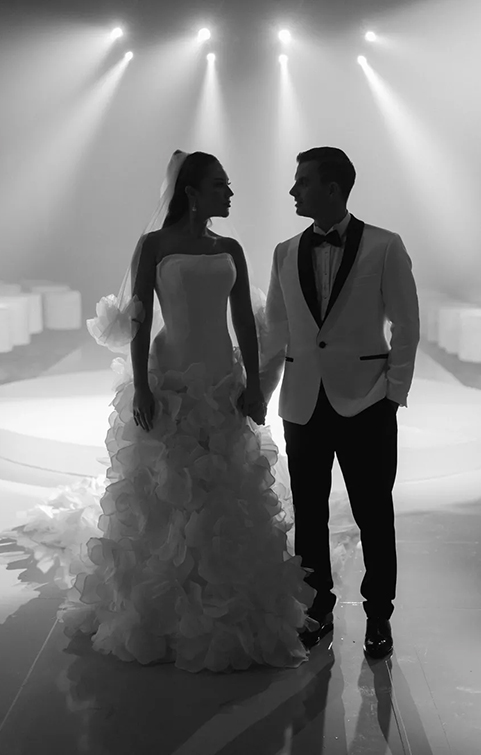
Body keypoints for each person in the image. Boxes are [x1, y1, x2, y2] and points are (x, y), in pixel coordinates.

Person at [11, 150, 317, 673]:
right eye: (220, 185)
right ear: (192, 192)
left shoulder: (231, 248)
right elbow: (139, 318)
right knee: (167, 489)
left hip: (221, 380)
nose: (230, 193)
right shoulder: (154, 245)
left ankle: (223, 604)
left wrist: (253, 385)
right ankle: (165, 609)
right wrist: (142, 387)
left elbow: (245, 320)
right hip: (170, 378)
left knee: (224, 490)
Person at [260, 147, 420, 658]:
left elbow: (407, 325)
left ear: (333, 188)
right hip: (303, 403)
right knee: (309, 514)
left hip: (368, 401)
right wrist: (259, 393)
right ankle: (317, 608)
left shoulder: (385, 246)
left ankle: (379, 615)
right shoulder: (285, 251)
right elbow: (275, 331)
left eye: (303, 181)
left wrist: (393, 393)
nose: (293, 190)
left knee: (374, 514)